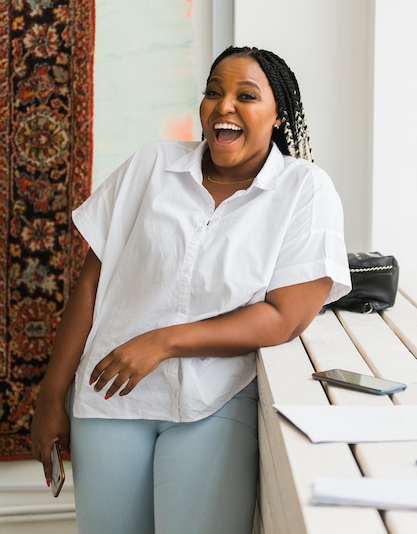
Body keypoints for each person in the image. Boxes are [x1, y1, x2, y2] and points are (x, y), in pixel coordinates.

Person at [31, 45, 351, 534]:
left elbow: (285, 316)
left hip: (215, 404)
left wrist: (163, 341)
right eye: (213, 92)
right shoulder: (150, 168)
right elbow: (91, 285)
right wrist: (51, 398)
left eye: (246, 95)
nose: (224, 106)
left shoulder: (305, 191)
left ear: (278, 114)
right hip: (111, 399)